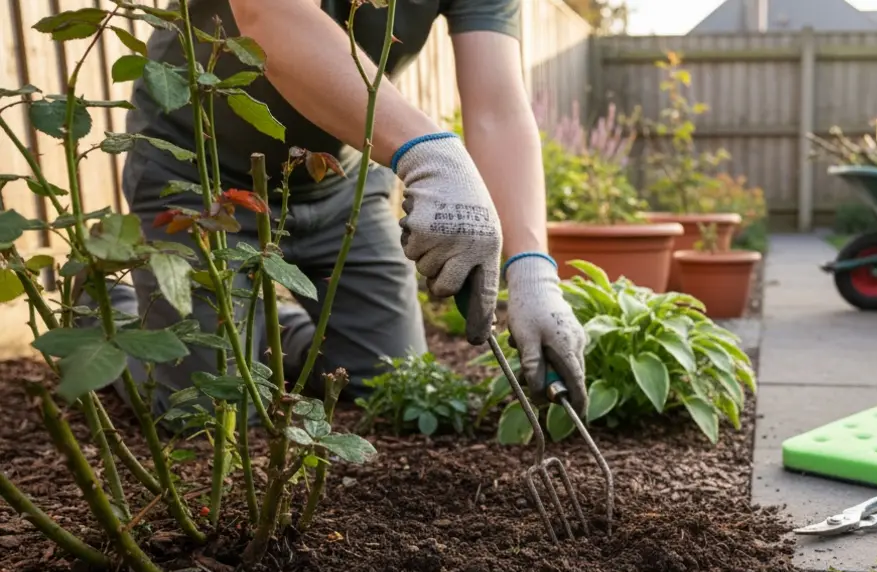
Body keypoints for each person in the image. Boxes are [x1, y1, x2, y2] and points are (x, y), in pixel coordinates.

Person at [109, 0, 587, 417]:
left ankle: (265, 332)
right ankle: (104, 312)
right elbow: (270, 13)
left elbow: (497, 111)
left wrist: (532, 271)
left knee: (386, 382)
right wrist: (428, 150)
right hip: (199, 176)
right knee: (207, 413)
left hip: (338, 186)